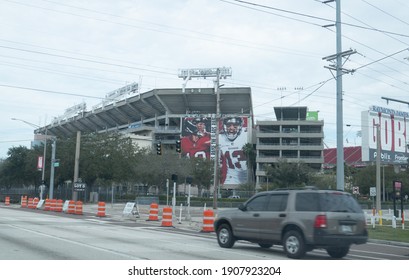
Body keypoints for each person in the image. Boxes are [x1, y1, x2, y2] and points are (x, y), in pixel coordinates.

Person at [219, 117, 248, 185]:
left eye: (235, 125)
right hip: (232, 176)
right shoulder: (220, 138)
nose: (231, 128)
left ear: (240, 126)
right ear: (224, 126)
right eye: (229, 125)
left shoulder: (246, 134)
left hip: (247, 175)